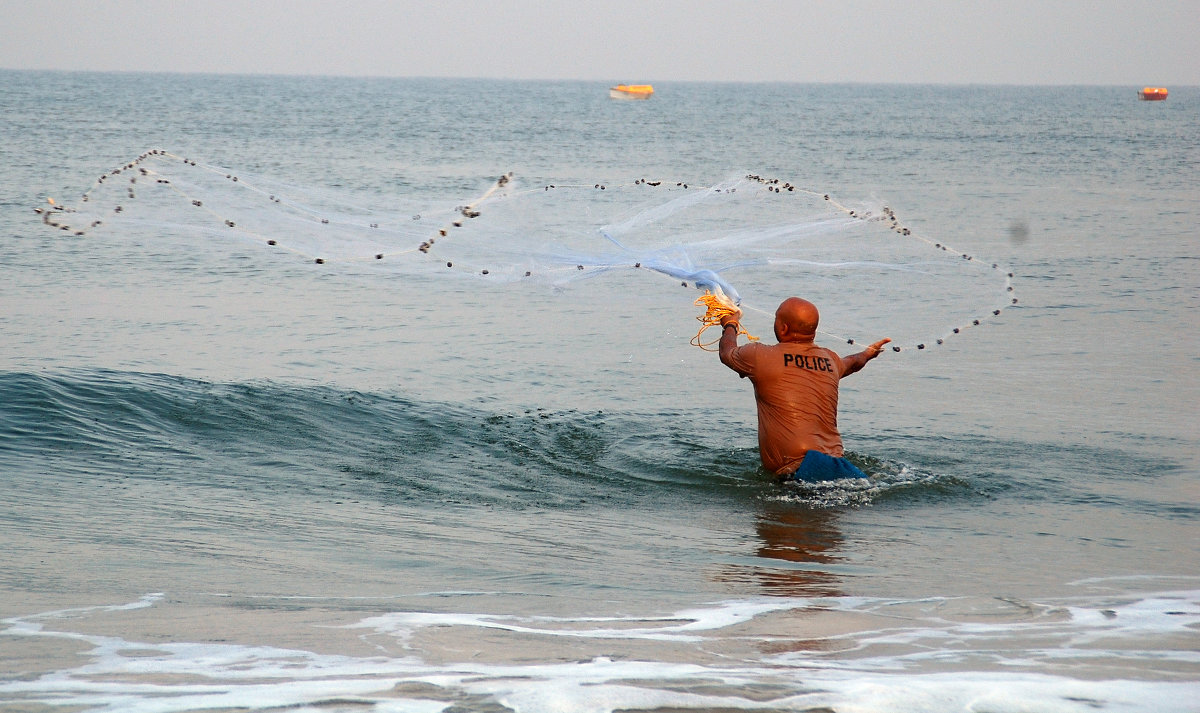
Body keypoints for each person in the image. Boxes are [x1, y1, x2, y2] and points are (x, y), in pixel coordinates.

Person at [718, 297, 890, 482]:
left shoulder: (759, 356)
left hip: (799, 475)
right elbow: (853, 363)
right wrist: (867, 353)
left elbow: (727, 352)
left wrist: (730, 324)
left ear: (783, 328)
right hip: (839, 468)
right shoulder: (830, 360)